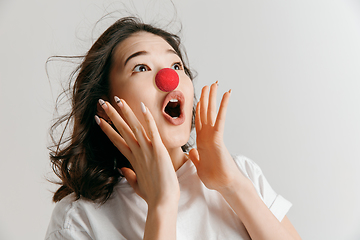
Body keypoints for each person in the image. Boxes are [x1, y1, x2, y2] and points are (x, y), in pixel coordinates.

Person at [45, 16, 301, 240]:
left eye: (176, 66)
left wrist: (233, 186)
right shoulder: (77, 218)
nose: (169, 78)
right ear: (105, 107)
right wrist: (162, 204)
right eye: (141, 68)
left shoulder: (242, 174)